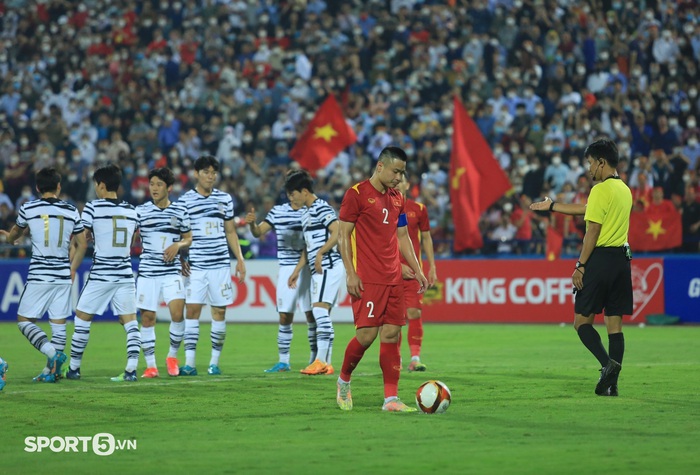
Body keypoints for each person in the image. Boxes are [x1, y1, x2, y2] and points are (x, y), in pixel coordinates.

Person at [530, 138, 632, 396]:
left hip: (599, 260)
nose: (588, 169)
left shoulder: (600, 189)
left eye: (590, 163)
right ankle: (613, 383)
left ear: (601, 162)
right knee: (614, 324)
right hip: (621, 260)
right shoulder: (624, 190)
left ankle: (607, 365)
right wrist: (552, 206)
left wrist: (580, 265)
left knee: (581, 322)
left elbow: (593, 230)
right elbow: (587, 210)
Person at [336, 146, 428, 412]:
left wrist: (417, 268)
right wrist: (350, 273)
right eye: (395, 171)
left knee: (391, 333)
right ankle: (343, 381)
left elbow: (403, 237)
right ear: (380, 166)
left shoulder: (397, 198)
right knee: (366, 336)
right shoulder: (356, 194)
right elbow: (343, 236)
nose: (399, 177)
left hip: (394, 278)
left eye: (402, 172)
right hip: (368, 279)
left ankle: (391, 399)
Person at [0, 167, 87, 382]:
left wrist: (8, 239)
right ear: (59, 186)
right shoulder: (71, 210)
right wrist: (73, 268)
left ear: (38, 188)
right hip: (62, 275)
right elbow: (82, 243)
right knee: (58, 325)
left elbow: (15, 234)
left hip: (40, 274)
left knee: (23, 321)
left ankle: (52, 355)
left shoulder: (28, 208)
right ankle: (51, 372)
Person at [64, 164, 141, 382]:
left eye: (96, 184)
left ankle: (74, 368)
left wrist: (92, 235)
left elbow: (83, 237)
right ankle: (131, 370)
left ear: (102, 185)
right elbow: (133, 240)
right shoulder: (131, 210)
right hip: (125, 273)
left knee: (81, 318)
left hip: (102, 274)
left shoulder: (93, 208)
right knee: (130, 322)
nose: (96, 188)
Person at [178, 155, 246, 376]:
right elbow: (178, 234)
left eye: (214, 172)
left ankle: (214, 363)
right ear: (196, 174)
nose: (211, 176)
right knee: (193, 311)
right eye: (206, 172)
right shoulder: (184, 201)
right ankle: (189, 363)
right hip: (196, 265)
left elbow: (230, 231)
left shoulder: (225, 199)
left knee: (219, 312)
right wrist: (181, 257)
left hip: (219, 266)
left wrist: (240, 260)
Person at [245, 187, 316, 373]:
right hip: (286, 268)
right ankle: (284, 361)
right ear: (289, 193)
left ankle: (315, 359)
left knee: (311, 315)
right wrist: (252, 225)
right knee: (285, 315)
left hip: (307, 268)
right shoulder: (277, 212)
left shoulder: (310, 211)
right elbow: (258, 232)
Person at [284, 169, 344, 375]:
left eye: (292, 194)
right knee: (322, 313)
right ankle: (326, 362)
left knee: (318, 311)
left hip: (328, 265)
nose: (291, 199)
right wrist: (297, 270)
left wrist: (320, 253)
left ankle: (320, 360)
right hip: (318, 266)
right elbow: (307, 247)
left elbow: (337, 232)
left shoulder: (321, 207)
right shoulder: (305, 213)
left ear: (303, 191)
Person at [135, 167, 192, 378]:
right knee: (148, 318)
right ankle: (151, 366)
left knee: (177, 314)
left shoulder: (180, 211)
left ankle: (172, 356)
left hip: (171, 272)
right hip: (148, 272)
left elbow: (188, 237)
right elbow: (130, 236)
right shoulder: (140, 212)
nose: (154, 188)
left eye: (159, 184)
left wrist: (178, 245)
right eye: (151, 184)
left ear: (169, 187)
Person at [396, 174, 437, 372]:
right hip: (390, 271)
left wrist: (432, 267)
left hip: (413, 271)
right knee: (393, 319)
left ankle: (415, 357)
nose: (397, 181)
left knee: (414, 312)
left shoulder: (419, 209)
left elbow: (427, 238)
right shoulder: (383, 209)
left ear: (407, 184)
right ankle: (395, 358)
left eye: (400, 178)